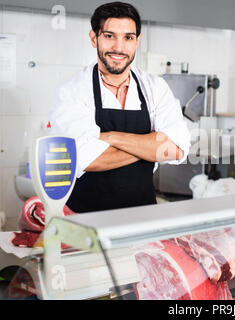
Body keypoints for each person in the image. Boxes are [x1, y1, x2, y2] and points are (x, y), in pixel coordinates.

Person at [49, 2, 190, 213]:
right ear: (93, 37)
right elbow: (86, 159)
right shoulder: (73, 91)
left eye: (128, 37)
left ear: (137, 41)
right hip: (86, 221)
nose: (119, 47)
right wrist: (151, 146)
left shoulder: (155, 88)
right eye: (109, 36)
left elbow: (177, 149)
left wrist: (112, 137)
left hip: (143, 217)